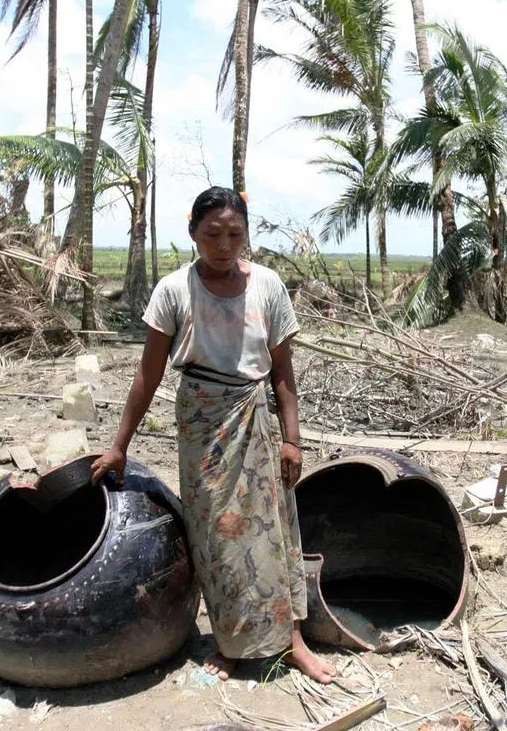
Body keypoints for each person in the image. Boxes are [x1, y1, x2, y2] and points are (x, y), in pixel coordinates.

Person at [91, 186, 337, 684]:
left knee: (275, 531)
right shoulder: (174, 291)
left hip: (255, 417)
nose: (224, 246)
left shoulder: (267, 286)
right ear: (193, 233)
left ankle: (293, 644)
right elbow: (148, 373)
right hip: (202, 420)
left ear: (247, 234)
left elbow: (283, 374)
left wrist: (293, 439)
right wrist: (120, 444)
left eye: (235, 235)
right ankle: (230, 643)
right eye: (213, 235)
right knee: (217, 537)